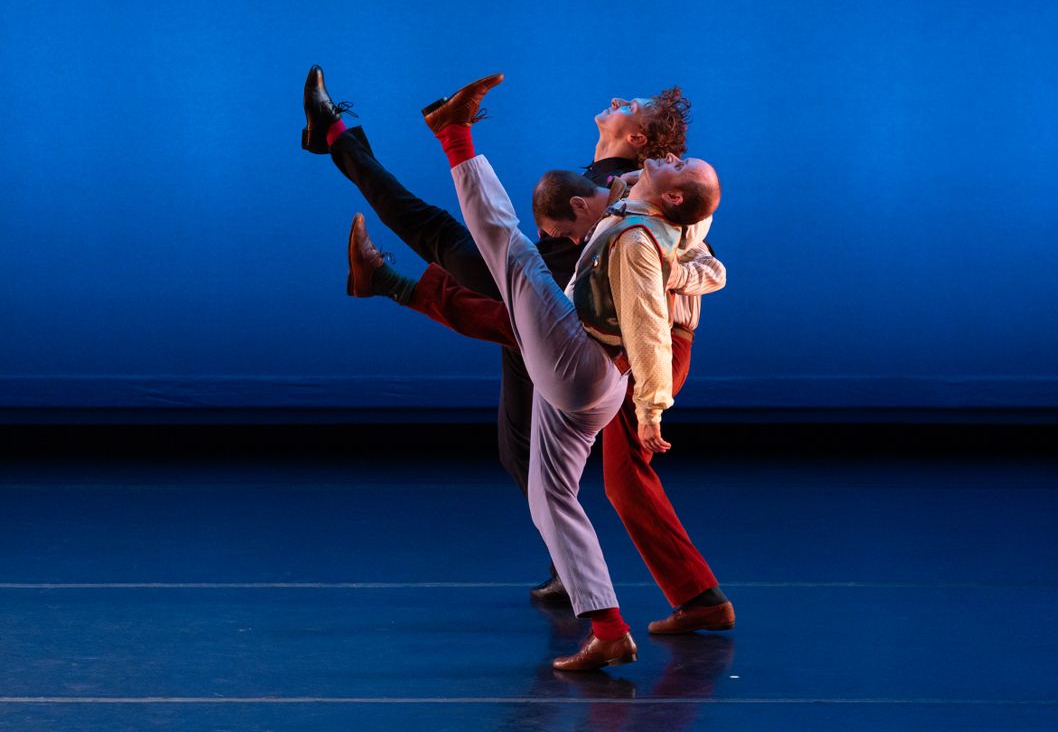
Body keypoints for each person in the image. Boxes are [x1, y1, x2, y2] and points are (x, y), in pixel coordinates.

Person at [302, 66, 736, 633]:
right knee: (521, 450)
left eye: (631, 105)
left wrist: (655, 389)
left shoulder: (646, 195)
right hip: (584, 325)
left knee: (452, 240)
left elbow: (677, 280)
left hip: (632, 347)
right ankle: (590, 576)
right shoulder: (620, 183)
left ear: (639, 141)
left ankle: (369, 180)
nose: (615, 98)